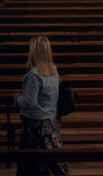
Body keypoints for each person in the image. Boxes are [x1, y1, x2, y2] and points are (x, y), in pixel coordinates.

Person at [15, 36, 69, 175]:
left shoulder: (34, 74)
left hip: (34, 125)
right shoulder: (53, 70)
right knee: (56, 161)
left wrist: (17, 98)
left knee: (32, 164)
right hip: (51, 123)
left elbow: (30, 102)